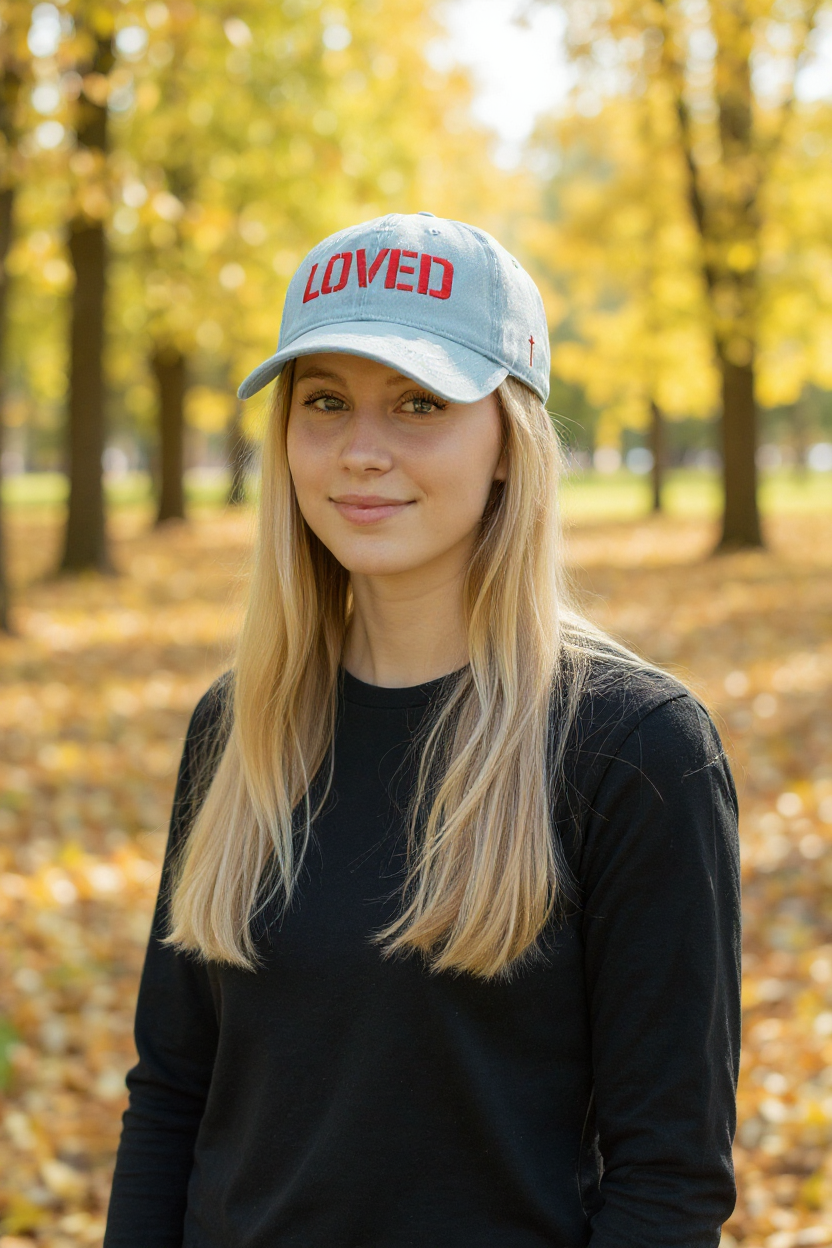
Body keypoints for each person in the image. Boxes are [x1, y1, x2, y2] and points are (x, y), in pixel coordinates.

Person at [103, 212, 741, 1248]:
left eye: (419, 403)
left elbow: (667, 1181)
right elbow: (172, 1091)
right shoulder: (237, 725)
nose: (361, 451)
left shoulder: (635, 749)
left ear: (509, 440)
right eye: (324, 402)